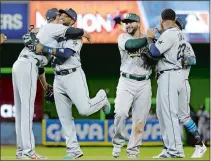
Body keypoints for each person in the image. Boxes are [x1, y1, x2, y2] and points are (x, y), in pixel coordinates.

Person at [13, 8, 90, 159]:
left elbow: (41, 67)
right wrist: (84, 32)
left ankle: (21, 151)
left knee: (21, 112)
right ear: (54, 18)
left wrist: (44, 84)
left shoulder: (47, 32)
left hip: (20, 65)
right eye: (59, 16)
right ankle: (29, 152)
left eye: (63, 16)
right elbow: (75, 31)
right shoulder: (54, 27)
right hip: (28, 65)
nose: (61, 17)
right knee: (27, 111)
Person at [36, 8, 111, 159]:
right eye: (61, 15)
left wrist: (45, 48)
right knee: (64, 117)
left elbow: (65, 54)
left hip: (73, 75)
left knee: (84, 109)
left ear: (73, 20)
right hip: (58, 78)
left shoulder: (76, 36)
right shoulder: (56, 33)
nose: (63, 17)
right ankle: (73, 150)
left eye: (66, 15)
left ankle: (102, 98)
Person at [151, 16, 207, 159]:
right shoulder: (185, 43)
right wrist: (181, 61)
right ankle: (199, 144)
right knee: (182, 116)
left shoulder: (171, 38)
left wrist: (154, 38)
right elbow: (192, 60)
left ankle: (174, 149)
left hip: (171, 77)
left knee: (169, 115)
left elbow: (155, 52)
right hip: (183, 80)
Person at [112, 13, 152, 159]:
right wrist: (149, 38)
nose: (128, 25)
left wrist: (154, 51)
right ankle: (117, 142)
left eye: (131, 22)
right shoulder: (123, 38)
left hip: (144, 82)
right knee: (121, 113)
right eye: (126, 23)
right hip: (126, 81)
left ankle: (133, 151)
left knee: (140, 120)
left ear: (138, 23)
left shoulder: (148, 39)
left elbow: (157, 54)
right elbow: (131, 46)